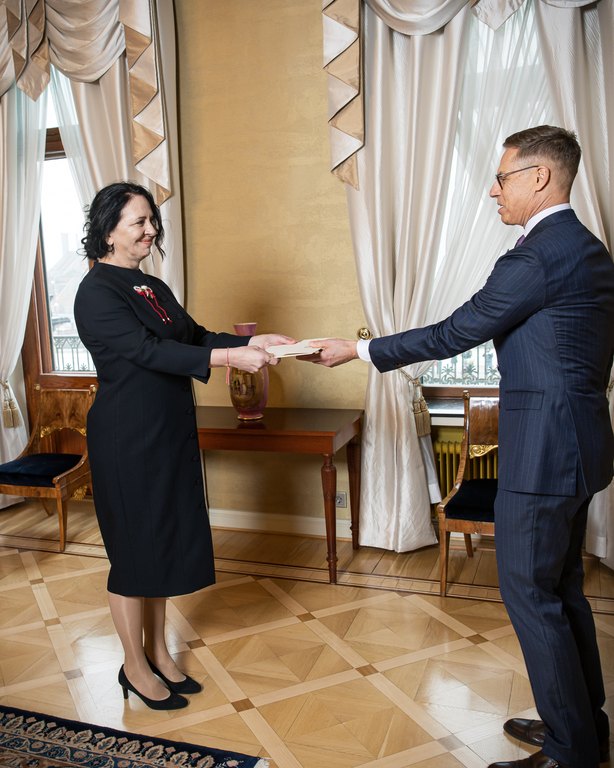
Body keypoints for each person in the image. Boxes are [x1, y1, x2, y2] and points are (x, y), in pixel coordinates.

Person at [301, 126, 614, 768]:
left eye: (502, 178)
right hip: (581, 445)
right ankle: (584, 726)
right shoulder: (588, 249)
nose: (492, 189)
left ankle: (570, 752)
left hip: (544, 453)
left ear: (539, 179)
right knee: (563, 589)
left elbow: (459, 329)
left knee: (532, 594)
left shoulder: (537, 256)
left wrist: (358, 349)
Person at [74, 182, 293, 710]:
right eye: (139, 222)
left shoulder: (151, 286)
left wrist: (248, 343)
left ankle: (158, 652)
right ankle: (133, 665)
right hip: (127, 438)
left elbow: (192, 337)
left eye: (152, 219)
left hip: (167, 432)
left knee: (162, 544)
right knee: (133, 554)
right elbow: (146, 351)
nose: (151, 229)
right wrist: (226, 362)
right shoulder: (97, 291)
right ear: (108, 230)